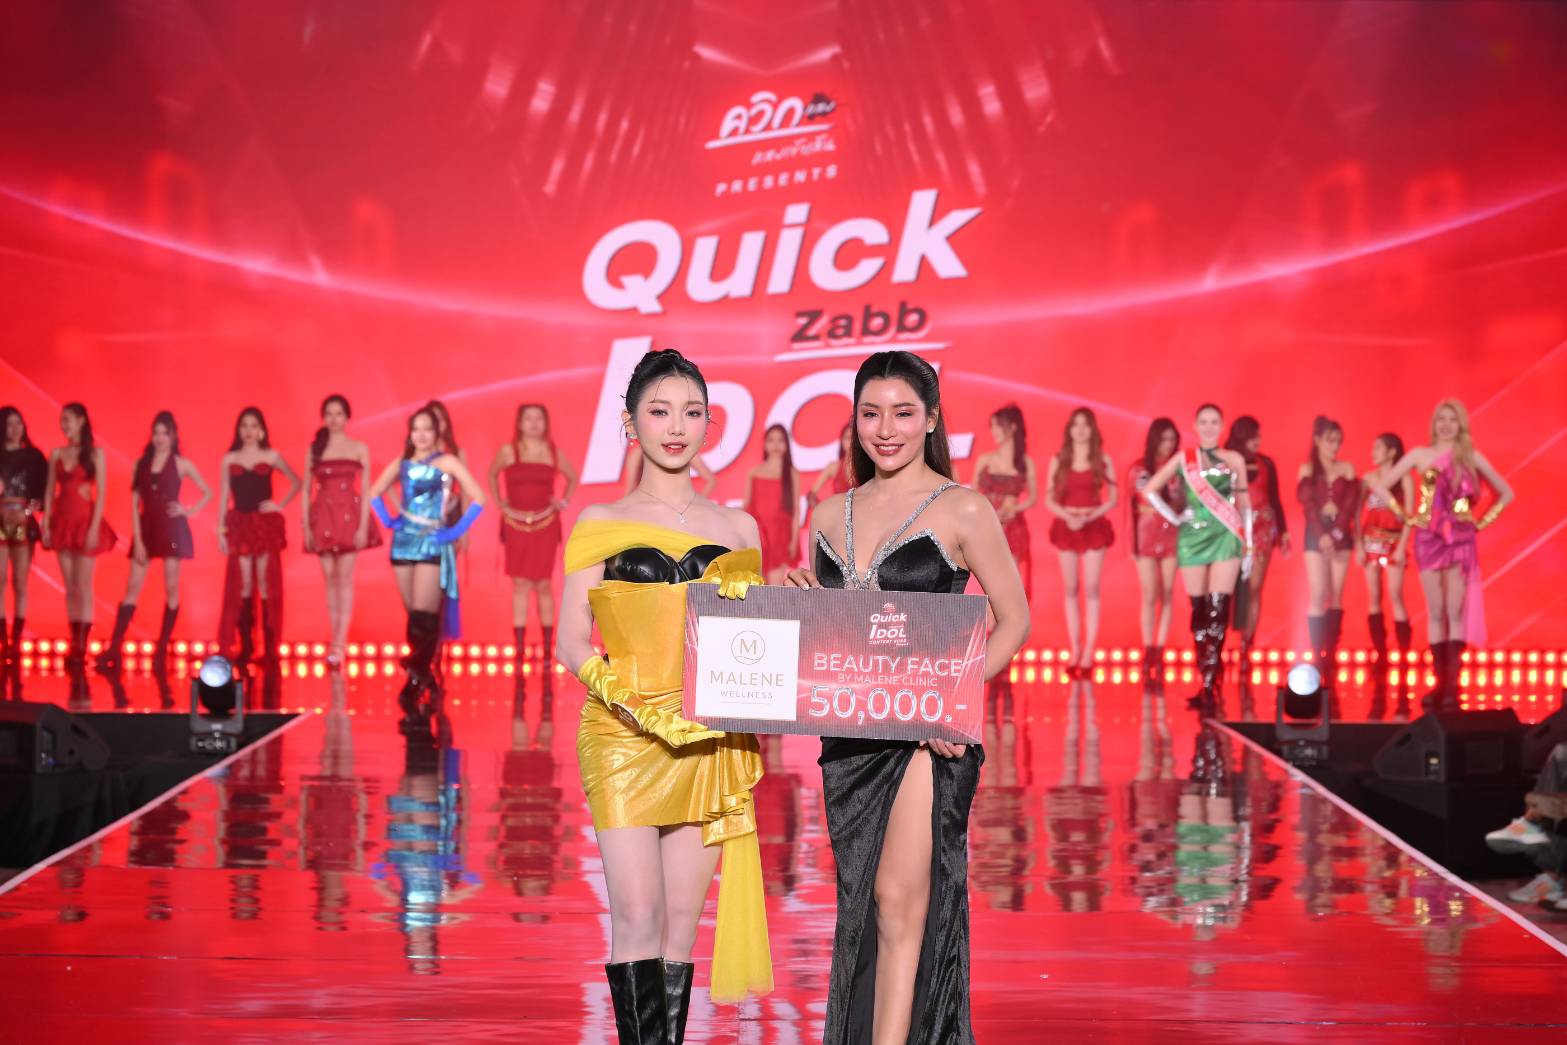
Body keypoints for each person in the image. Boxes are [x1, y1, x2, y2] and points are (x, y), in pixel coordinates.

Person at [788, 350, 1029, 1045]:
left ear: (930, 419)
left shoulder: (963, 507)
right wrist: (798, 601)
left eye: (902, 412)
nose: (885, 429)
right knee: (862, 901)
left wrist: (952, 702)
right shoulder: (828, 513)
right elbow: (834, 638)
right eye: (871, 414)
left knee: (899, 901)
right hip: (849, 739)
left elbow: (1014, 620)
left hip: (930, 737)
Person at [556, 349, 770, 1042]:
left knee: (681, 923)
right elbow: (570, 640)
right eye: (659, 411)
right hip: (623, 738)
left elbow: (757, 641)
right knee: (638, 914)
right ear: (630, 423)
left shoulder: (739, 528)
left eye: (691, 412)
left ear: (708, 422)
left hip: (708, 738)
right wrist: (633, 705)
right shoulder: (599, 521)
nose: (676, 427)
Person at [1370, 398, 1513, 711]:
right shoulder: (1420, 455)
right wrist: (1406, 516)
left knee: (1454, 611)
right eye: (1441, 419)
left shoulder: (1470, 457)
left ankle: (1452, 688)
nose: (1446, 425)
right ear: (1434, 424)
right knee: (1436, 611)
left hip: (1460, 538)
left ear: (1461, 424)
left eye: (1452, 419)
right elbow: (1382, 486)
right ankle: (1439, 684)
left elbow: (1506, 493)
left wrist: (1479, 523)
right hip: (1428, 537)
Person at [369, 407, 486, 727]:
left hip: (432, 542)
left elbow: (479, 498)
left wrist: (453, 531)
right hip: (403, 542)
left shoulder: (446, 462)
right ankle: (424, 675)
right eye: (415, 429)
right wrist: (388, 519)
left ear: (436, 432)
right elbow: (374, 492)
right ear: (410, 433)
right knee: (415, 619)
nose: (421, 435)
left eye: (427, 429)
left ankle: (413, 678)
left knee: (424, 616)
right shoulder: (402, 462)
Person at [1141, 404, 1252, 713]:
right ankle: (1206, 678)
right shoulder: (1184, 459)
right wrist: (1176, 517)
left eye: (1214, 421)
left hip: (1226, 535)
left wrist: (1250, 546)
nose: (1209, 427)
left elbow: (1245, 504)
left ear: (1222, 425)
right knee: (1199, 613)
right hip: (1192, 539)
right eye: (1203, 421)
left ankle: (1210, 685)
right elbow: (1150, 490)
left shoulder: (1234, 459)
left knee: (1218, 610)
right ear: (1195, 425)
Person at [95, 411, 211, 674]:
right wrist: (138, 538)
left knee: (171, 587)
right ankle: (115, 648)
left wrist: (187, 510)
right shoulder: (141, 463)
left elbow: (208, 492)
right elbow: (135, 505)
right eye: (156, 433)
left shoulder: (181, 464)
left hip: (172, 531)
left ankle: (161, 650)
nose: (160, 438)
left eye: (164, 433)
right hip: (147, 529)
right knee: (132, 587)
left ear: (173, 436)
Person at [489, 403, 577, 665]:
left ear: (545, 423)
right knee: (520, 583)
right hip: (515, 525)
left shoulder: (552, 452)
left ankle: (548, 650)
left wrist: (563, 501)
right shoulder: (508, 451)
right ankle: (519, 650)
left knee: (543, 584)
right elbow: (492, 474)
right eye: (528, 418)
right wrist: (499, 502)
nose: (534, 423)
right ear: (519, 423)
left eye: (539, 418)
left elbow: (572, 477)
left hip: (545, 524)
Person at [216, 407, 301, 668]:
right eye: (244, 426)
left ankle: (269, 649)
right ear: (238, 429)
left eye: (253, 426)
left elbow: (296, 482)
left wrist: (279, 505)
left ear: (261, 429)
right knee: (243, 585)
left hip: (263, 525)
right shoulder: (229, 459)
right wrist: (220, 530)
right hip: (240, 524)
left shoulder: (271, 455)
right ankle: (246, 646)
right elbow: (223, 497)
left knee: (265, 583)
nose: (249, 431)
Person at [302, 394, 380, 667]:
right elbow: (306, 491)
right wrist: (306, 526)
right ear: (323, 418)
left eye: (338, 414)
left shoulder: (359, 448)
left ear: (347, 417)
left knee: (345, 579)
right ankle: (334, 639)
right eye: (329, 414)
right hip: (323, 515)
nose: (334, 419)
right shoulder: (315, 449)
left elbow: (367, 490)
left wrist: (363, 526)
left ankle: (339, 643)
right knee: (330, 579)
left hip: (349, 515)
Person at [41, 402, 116, 667]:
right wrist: (46, 523)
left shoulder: (95, 453)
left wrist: (95, 527)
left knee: (84, 585)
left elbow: (102, 492)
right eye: (62, 420)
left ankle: (83, 644)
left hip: (85, 521)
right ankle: (74, 641)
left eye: (68, 419)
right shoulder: (56, 453)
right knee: (70, 586)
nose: (64, 424)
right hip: (62, 520)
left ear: (81, 420)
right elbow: (49, 491)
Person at [1043, 407, 1116, 677]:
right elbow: (1049, 498)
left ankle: (1089, 653)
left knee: (1092, 588)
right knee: (1071, 589)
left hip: (1094, 526)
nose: (1081, 430)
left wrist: (1089, 516)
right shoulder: (1059, 460)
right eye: (1076, 424)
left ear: (1092, 429)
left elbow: (1113, 499)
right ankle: (1075, 648)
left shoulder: (1103, 460)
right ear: (1070, 430)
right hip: (1067, 526)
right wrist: (1069, 516)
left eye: (1086, 425)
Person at [1297, 416, 1360, 678]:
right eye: (1330, 441)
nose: (1334, 446)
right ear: (1317, 441)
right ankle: (1317, 654)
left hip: (1341, 536)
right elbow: (1309, 507)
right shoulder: (1307, 470)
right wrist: (1323, 535)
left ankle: (1330, 654)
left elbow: (1350, 506)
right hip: (1315, 535)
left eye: (1338, 441)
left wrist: (1335, 533)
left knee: (1336, 593)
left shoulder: (1347, 468)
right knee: (1318, 592)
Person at [1225, 416, 1289, 657]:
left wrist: (1283, 532)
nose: (1257, 441)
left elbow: (1275, 499)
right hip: (1232, 531)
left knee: (1254, 588)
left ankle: (1247, 644)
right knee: (1228, 589)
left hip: (1262, 531)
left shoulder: (1266, 464)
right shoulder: (1225, 462)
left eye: (1259, 436)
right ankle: (1223, 642)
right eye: (1253, 436)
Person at [1127, 417, 1182, 676]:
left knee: (1167, 592)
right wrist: (1131, 544)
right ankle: (1148, 647)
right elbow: (1129, 509)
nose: (1167, 444)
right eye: (1163, 439)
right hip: (1146, 532)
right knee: (1149, 594)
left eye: (1171, 439)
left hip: (1172, 533)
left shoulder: (1179, 469)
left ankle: (1160, 648)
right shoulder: (1138, 469)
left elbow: (1185, 503)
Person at [1359, 432, 1415, 673]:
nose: (1373, 453)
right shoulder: (1368, 479)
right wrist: (1358, 545)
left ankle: (1403, 656)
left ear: (1392, 452)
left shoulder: (1405, 479)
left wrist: (1402, 547)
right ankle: (1380, 655)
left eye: (1378, 448)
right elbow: (1356, 513)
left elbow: (1410, 516)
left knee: (1395, 594)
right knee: (1374, 596)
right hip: (1371, 540)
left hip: (1394, 540)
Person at [973, 403, 1038, 605]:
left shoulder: (1025, 462)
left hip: (1012, 527)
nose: (993, 431)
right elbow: (973, 495)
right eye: (991, 426)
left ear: (1012, 427)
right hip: (987, 526)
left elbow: (1032, 498)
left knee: (1011, 583)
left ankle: (1012, 621)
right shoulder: (985, 460)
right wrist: (989, 513)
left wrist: (1013, 509)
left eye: (998, 425)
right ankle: (990, 622)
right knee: (989, 583)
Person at [0, 406, 48, 662]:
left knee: (20, 581)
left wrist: (27, 512)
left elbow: (43, 493)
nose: (15, 428)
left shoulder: (34, 457)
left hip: (23, 520)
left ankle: (16, 642)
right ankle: (3, 641)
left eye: (18, 422)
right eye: (9, 423)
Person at [744, 423, 803, 583]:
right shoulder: (754, 472)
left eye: (780, 440)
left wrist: (793, 541)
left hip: (780, 537)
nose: (776, 445)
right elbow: (746, 507)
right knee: (758, 583)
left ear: (786, 444)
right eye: (771, 440)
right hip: (759, 535)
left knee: (774, 585)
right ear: (765, 444)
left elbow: (796, 511)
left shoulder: (792, 474)